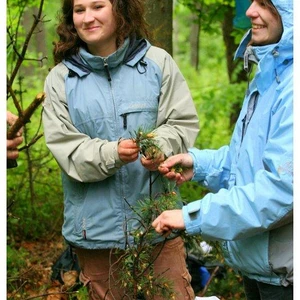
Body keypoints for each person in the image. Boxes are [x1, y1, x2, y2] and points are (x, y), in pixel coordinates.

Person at [42, 0, 199, 299]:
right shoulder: (61, 79)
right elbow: (66, 148)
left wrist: (159, 146)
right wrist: (111, 154)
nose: (88, 18)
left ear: (120, 9)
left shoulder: (157, 63)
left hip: (159, 229)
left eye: (98, 6)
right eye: (79, 10)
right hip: (97, 237)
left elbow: (181, 123)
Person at [152, 0, 293, 299]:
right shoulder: (269, 75)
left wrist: (193, 216)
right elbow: (249, 162)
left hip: (287, 276)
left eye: (266, 3)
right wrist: (199, 164)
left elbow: (283, 190)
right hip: (261, 267)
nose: (250, 11)